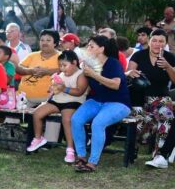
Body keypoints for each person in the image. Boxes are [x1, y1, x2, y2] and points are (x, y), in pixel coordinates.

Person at [71, 35, 131, 172]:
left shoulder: (113, 63)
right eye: (88, 46)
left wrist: (93, 74)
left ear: (101, 49)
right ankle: (81, 156)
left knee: (98, 123)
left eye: (91, 46)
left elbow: (116, 85)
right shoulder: (88, 64)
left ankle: (92, 162)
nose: (88, 48)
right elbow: (87, 87)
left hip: (119, 103)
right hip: (97, 100)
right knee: (76, 119)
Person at [26, 50, 88, 162]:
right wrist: (52, 89)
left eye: (65, 65)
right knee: (37, 113)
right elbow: (55, 89)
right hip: (57, 100)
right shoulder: (61, 74)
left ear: (74, 62)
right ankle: (38, 138)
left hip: (73, 101)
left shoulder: (81, 75)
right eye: (60, 65)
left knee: (67, 119)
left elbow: (79, 91)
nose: (62, 68)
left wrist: (64, 88)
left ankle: (70, 149)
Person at [125, 29, 175, 168]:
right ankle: (133, 148)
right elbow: (130, 74)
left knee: (167, 116)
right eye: (154, 40)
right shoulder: (139, 55)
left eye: (161, 41)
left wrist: (168, 67)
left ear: (165, 43)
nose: (157, 44)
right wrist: (130, 73)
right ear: (149, 40)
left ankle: (159, 156)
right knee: (143, 123)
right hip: (139, 97)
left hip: (161, 98)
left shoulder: (170, 58)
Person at [17, 29, 62, 106]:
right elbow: (18, 68)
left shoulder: (62, 56)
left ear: (55, 43)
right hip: (25, 98)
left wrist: (47, 72)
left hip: (49, 100)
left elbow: (67, 70)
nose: (44, 43)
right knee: (22, 117)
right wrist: (31, 71)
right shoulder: (32, 55)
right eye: (42, 40)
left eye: (48, 40)